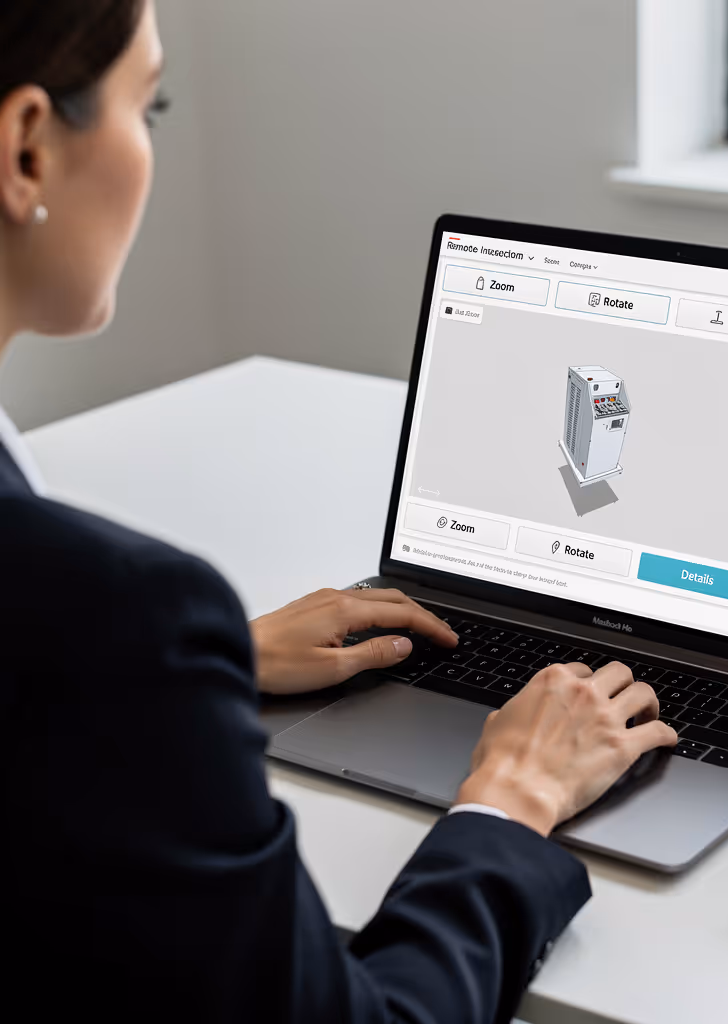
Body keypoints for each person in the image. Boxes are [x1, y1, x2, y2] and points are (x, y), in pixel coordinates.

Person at [0, 3, 676, 1020]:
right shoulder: (120, 617)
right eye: (154, 102)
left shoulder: (109, 623)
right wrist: (513, 799)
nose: (152, 145)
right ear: (26, 152)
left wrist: (212, 656)